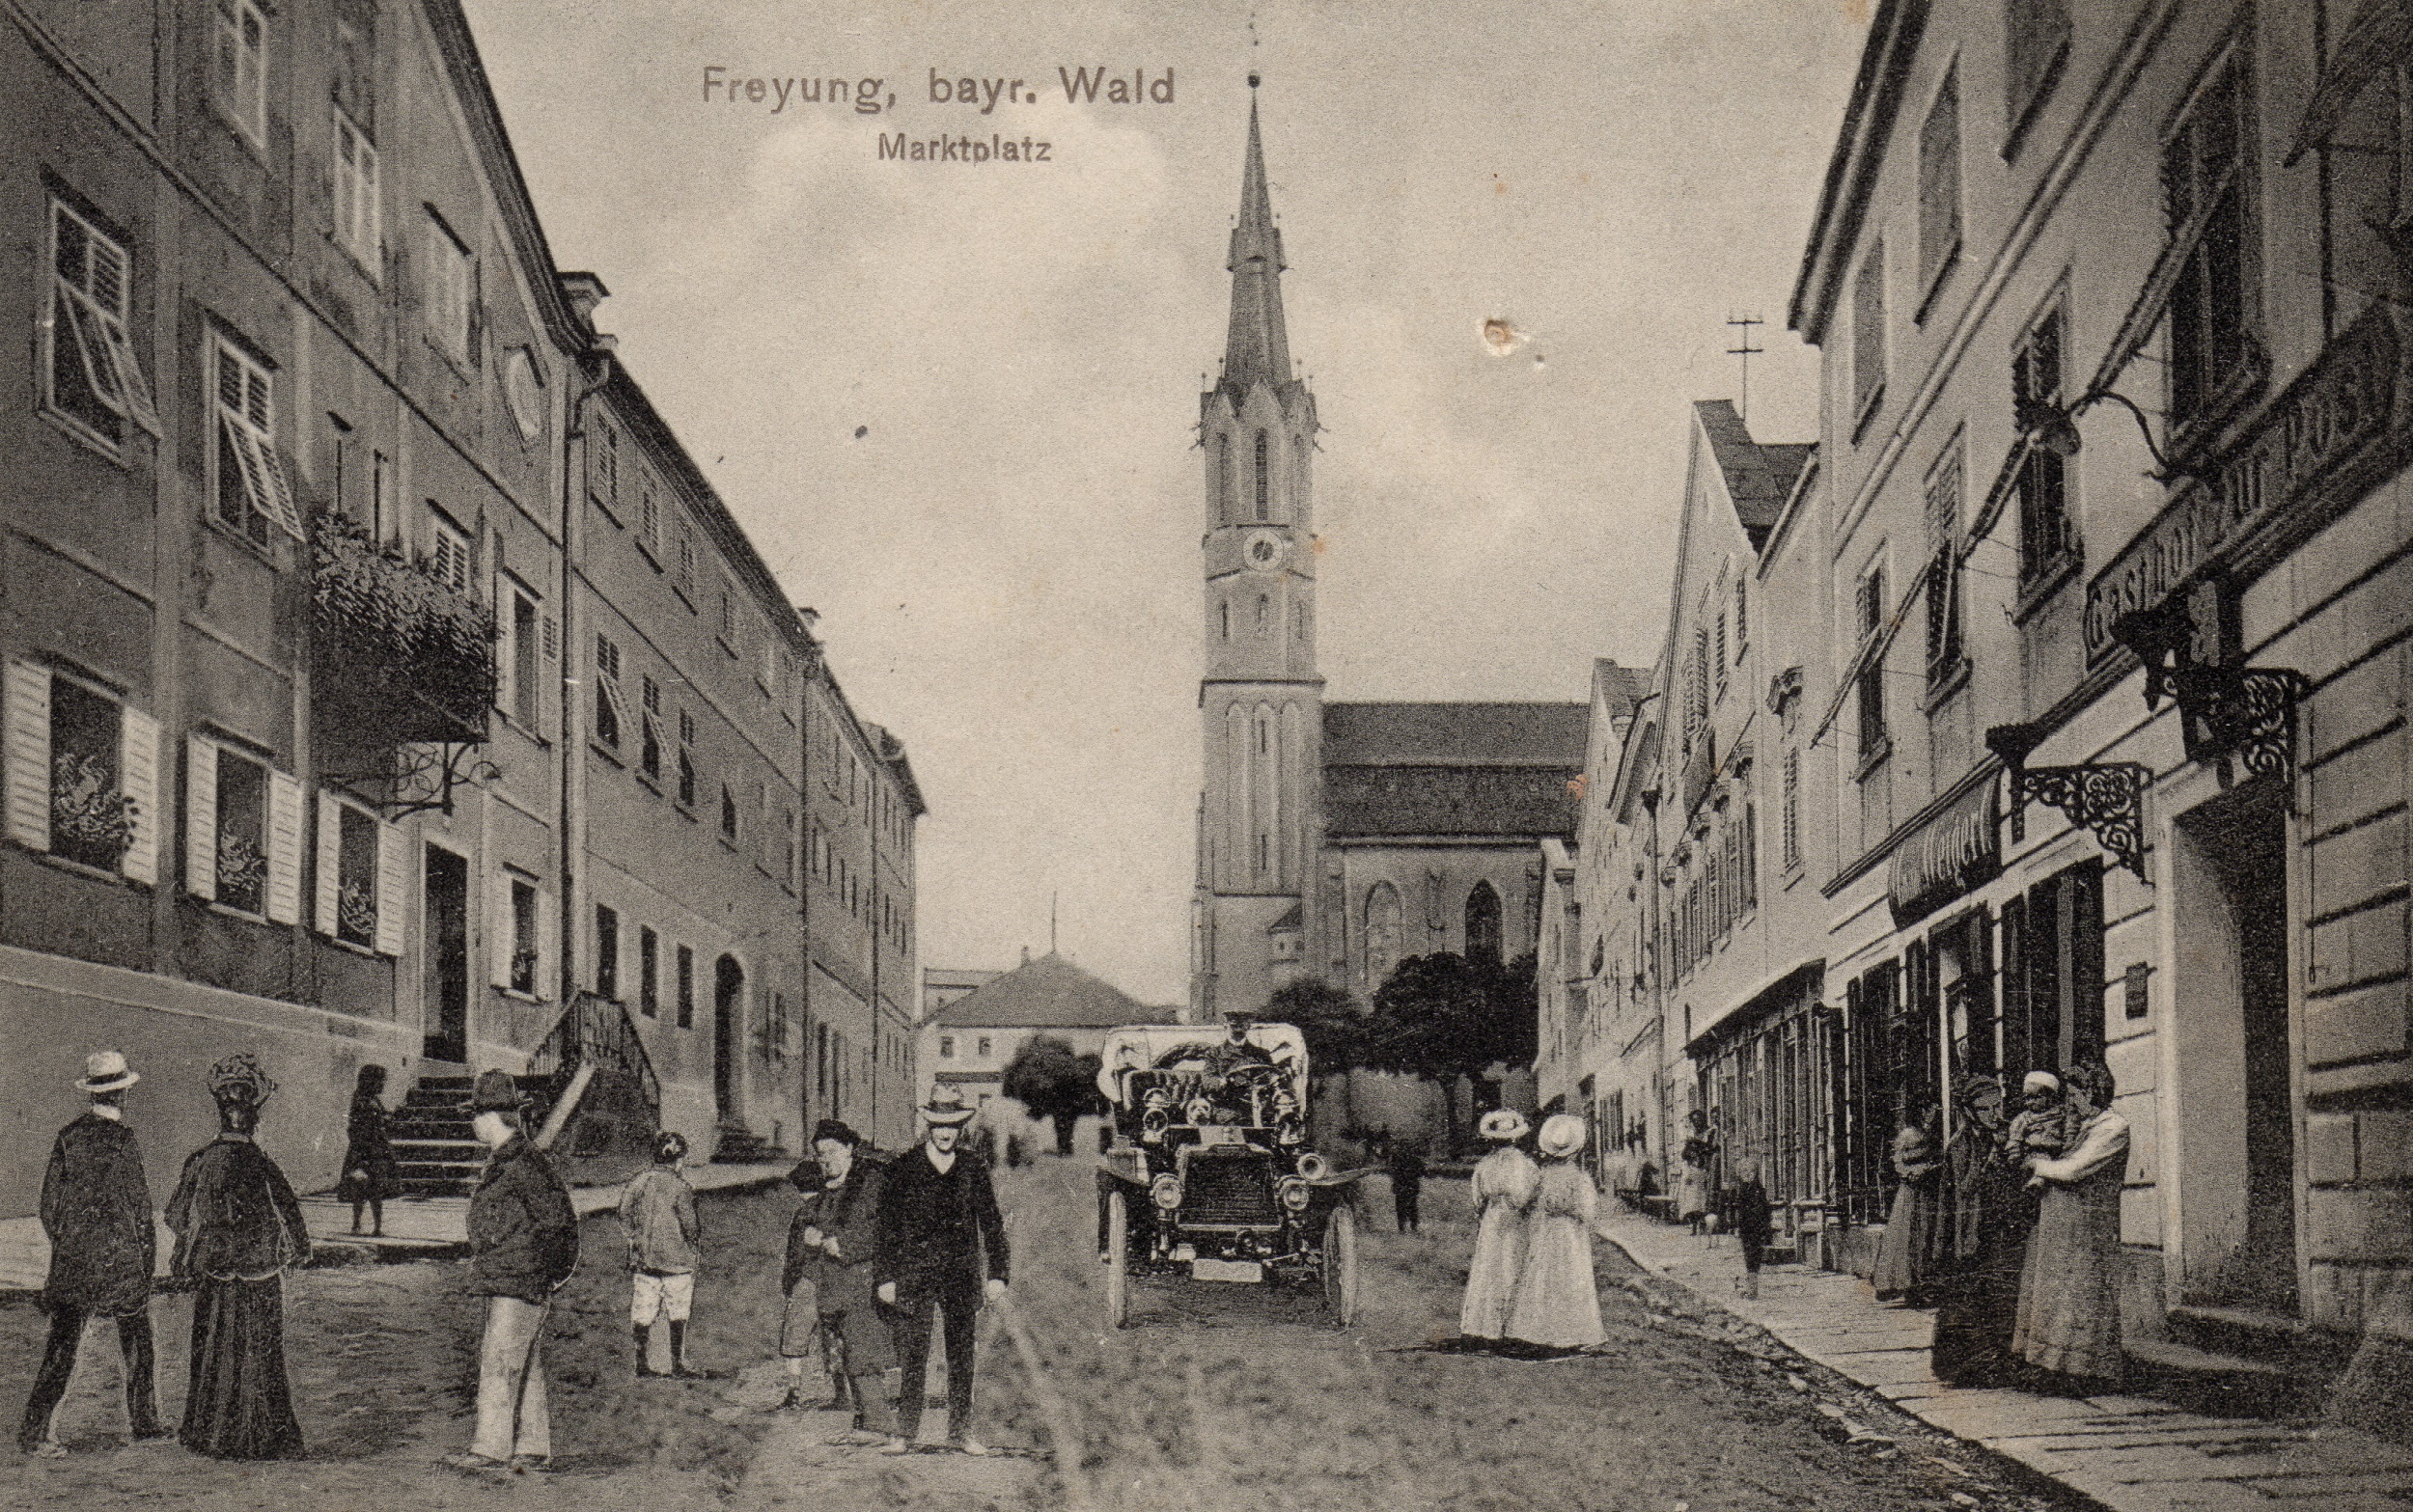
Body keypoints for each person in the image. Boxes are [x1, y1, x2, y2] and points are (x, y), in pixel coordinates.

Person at [18, 1050, 168, 1458]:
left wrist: (69, 1244)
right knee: (137, 1340)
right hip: (120, 1261)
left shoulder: (67, 1136)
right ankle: (145, 1422)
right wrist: (145, 1258)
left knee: (62, 1346)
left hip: (76, 1263)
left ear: (93, 1094)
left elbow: (49, 1206)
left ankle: (35, 1432)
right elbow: (140, 1208)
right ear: (121, 1095)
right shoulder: (124, 1140)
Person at [165, 1054, 310, 1460]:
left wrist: (203, 1234)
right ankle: (262, 1437)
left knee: (214, 1349)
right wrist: (299, 1247)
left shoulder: (201, 1160)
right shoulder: (262, 1162)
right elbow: (290, 1211)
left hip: (216, 1268)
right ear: (253, 1118)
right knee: (259, 1351)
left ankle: (209, 1434)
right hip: (260, 1270)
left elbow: (175, 1214)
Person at [444, 1070, 579, 1475]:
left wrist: (548, 1274)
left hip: (519, 1281)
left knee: (500, 1360)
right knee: (526, 1364)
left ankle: (490, 1449)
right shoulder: (511, 1160)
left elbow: (558, 1224)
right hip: (516, 1278)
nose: (472, 1124)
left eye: (476, 1115)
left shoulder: (522, 1163)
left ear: (491, 1118)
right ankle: (532, 1448)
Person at [874, 1085, 1009, 1456]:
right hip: (915, 1274)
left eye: (952, 1125)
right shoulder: (904, 1167)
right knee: (913, 1352)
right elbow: (886, 1226)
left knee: (962, 1354)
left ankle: (961, 1432)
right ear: (928, 1126)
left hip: (961, 1275)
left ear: (961, 1127)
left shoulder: (973, 1167)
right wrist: (885, 1277)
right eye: (938, 1125)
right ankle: (905, 1433)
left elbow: (992, 1223)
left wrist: (997, 1273)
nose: (945, 1133)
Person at [2012, 1061, 2130, 1386]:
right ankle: (2054, 1366)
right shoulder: (2084, 1124)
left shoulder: (2112, 1128)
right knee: (2057, 1295)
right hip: (2063, 1228)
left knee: (2082, 1295)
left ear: (2091, 1092)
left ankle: (2085, 1372)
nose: (2071, 1101)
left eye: (2076, 1094)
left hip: (2087, 1228)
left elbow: (2073, 1170)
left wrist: (2037, 1162)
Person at [791, 1120, 899, 1447]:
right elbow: (814, 1227)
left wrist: (845, 1244)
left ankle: (880, 1424)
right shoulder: (828, 1191)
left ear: (850, 1149)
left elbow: (887, 1230)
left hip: (863, 1280)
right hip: (833, 1283)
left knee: (863, 1351)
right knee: (847, 1350)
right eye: (820, 1154)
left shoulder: (871, 1184)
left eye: (832, 1152)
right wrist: (810, 1236)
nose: (825, 1160)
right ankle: (865, 1421)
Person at [1931, 1073, 2031, 1388]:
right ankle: (1970, 1369)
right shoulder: (1959, 1145)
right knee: (1970, 1301)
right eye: (1985, 1109)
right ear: (1970, 1111)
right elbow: (1964, 1189)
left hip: (2005, 1227)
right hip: (1972, 1233)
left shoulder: (2010, 1134)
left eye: (1997, 1106)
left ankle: (2006, 1366)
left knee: (2004, 1298)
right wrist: (1992, 1156)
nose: (1994, 1115)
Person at [1505, 1114, 1606, 1353]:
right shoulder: (1579, 1178)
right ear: (1575, 1150)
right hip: (1569, 1233)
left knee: (1543, 1274)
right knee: (1570, 1276)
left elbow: (1525, 1201)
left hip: (1547, 1230)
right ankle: (1571, 1332)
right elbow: (1589, 1211)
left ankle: (1539, 1331)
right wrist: (1572, 1210)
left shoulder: (1542, 1175)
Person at [619, 1131, 702, 1380]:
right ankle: (676, 1362)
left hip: (645, 1261)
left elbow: (623, 1213)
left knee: (643, 1311)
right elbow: (691, 1225)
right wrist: (693, 1245)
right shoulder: (681, 1187)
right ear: (679, 1160)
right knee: (677, 1311)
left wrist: (635, 1238)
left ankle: (641, 1362)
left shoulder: (638, 1181)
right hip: (676, 1261)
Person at [1457, 1109, 1539, 1343]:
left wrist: (1484, 1212)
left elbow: (1477, 1198)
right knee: (1513, 1265)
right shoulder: (1526, 1165)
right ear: (1516, 1138)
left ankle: (1486, 1327)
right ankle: (1513, 1327)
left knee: (1490, 1268)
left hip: (1493, 1218)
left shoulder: (1484, 1165)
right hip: (1515, 1218)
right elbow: (1530, 1195)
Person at [775, 1158, 845, 1414]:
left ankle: (794, 1393)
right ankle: (842, 1393)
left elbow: (795, 1255)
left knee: (795, 1335)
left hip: (807, 1280)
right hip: (834, 1279)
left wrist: (788, 1283)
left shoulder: (803, 1213)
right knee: (834, 1335)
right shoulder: (835, 1207)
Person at [1871, 1102, 1944, 1304]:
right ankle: (1905, 1284)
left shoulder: (1934, 1134)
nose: (1933, 1115)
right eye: (1930, 1111)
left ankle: (1921, 1285)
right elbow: (1898, 1160)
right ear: (1921, 1112)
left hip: (1926, 1191)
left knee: (1924, 1235)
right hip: (1910, 1192)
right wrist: (1909, 1174)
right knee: (1907, 1235)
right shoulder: (1908, 1134)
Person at [337, 1064, 401, 1239]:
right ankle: (364, 1224)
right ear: (371, 1082)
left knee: (371, 1189)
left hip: (375, 1149)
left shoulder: (371, 1100)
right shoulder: (362, 1101)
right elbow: (357, 1127)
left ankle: (367, 1225)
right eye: (381, 1081)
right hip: (367, 1150)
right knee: (367, 1189)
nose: (383, 1085)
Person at [1730, 1159, 1773, 1301]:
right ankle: (1748, 1288)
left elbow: (1765, 1211)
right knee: (1748, 1258)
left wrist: (1765, 1228)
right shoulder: (1740, 1190)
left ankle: (1752, 1290)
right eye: (1744, 1172)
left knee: (1753, 1258)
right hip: (1745, 1229)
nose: (1748, 1174)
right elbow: (1736, 1210)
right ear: (1740, 1174)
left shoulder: (1758, 1190)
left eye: (1751, 1171)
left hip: (1755, 1228)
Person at [1678, 1110, 1715, 1235]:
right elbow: (1684, 1153)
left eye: (1699, 1119)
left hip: (1704, 1169)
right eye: (1694, 1120)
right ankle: (1694, 1225)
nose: (1697, 1122)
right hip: (1692, 1170)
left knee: (1702, 1198)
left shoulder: (1709, 1132)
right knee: (1691, 1200)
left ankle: (1702, 1224)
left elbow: (1710, 1149)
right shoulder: (1691, 1134)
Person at [1388, 1138, 1427, 1234]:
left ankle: (1405, 1227)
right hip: (1409, 1185)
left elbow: (1393, 1171)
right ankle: (1410, 1227)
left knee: (1404, 1207)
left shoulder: (1396, 1158)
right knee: (1410, 1206)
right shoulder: (1413, 1159)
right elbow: (1422, 1171)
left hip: (1404, 1185)